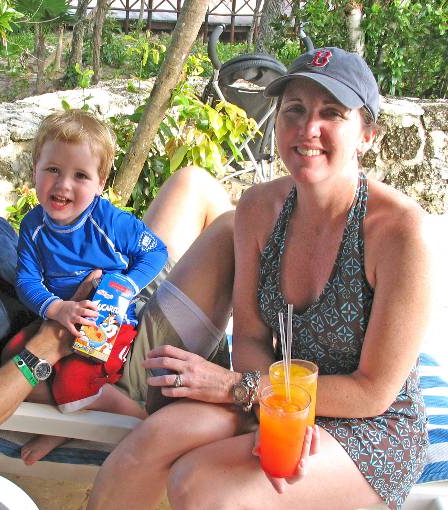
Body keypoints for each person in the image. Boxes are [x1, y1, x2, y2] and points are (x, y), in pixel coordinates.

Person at [87, 47, 431, 510]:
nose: (308, 128)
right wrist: (276, 407)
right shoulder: (259, 209)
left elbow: (372, 391)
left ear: (367, 135)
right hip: (274, 397)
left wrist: (245, 390)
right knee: (154, 440)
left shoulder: (399, 232)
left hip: (370, 425)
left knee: (201, 484)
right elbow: (250, 337)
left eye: (331, 113)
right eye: (295, 110)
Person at [0, 108, 233, 460]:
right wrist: (48, 346)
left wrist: (109, 279)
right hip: (102, 362)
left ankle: (229, 361)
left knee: (193, 183)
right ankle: (248, 391)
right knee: (231, 232)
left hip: (105, 302)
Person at [7, 110, 168, 463]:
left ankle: (139, 422)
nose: (63, 185)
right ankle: (73, 414)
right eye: (52, 169)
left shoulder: (110, 222)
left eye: (80, 175)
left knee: (72, 383)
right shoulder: (33, 226)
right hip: (61, 318)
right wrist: (56, 308)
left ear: (101, 183)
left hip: (107, 321)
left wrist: (126, 284)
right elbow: (27, 280)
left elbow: (156, 251)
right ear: (34, 169)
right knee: (13, 360)